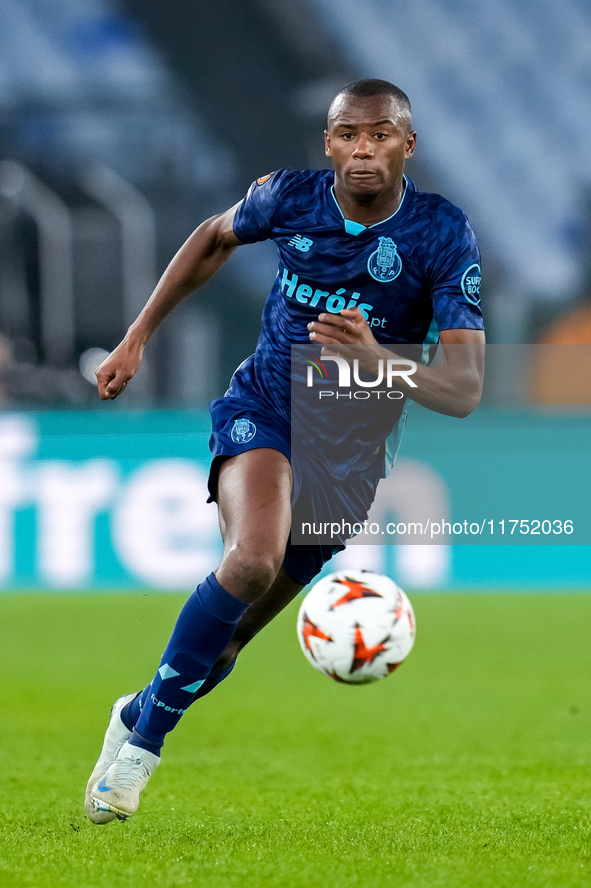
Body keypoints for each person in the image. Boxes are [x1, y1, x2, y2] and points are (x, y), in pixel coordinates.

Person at [85, 78, 485, 824]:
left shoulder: (440, 233)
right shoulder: (290, 198)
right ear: (328, 141)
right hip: (266, 406)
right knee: (250, 560)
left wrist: (377, 357)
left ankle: (137, 710)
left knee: (228, 642)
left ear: (408, 143)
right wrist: (138, 335)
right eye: (346, 136)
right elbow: (211, 236)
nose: (361, 151)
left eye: (379, 135)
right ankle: (139, 757)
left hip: (349, 453)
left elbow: (462, 388)